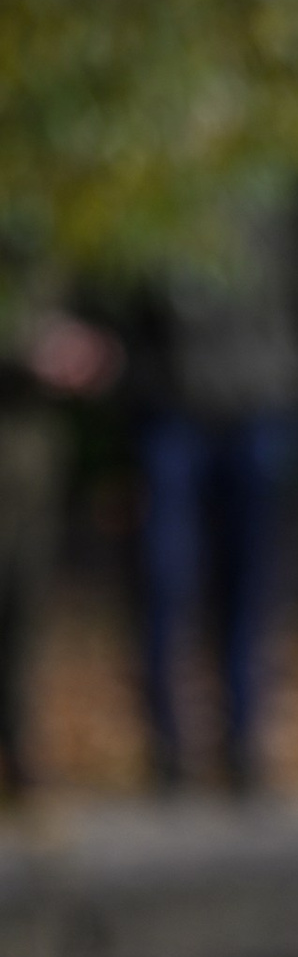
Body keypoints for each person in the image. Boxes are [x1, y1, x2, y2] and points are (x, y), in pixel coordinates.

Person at [132, 198, 298, 792]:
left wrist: (293, 389)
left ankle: (243, 745)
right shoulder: (153, 187)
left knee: (251, 587)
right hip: (173, 415)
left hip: (259, 410)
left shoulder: (270, 194)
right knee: (167, 582)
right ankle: (169, 751)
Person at [0, 299, 122, 802]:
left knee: (22, 616)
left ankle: (20, 750)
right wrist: (24, 349)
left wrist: (92, 356)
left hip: (35, 463)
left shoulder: (50, 241)